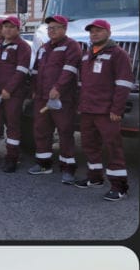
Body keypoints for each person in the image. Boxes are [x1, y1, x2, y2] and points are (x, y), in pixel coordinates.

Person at [74, 19, 132, 200]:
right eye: (92, 32)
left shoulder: (118, 54)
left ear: (108, 32)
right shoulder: (86, 55)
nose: (94, 34)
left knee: (113, 147)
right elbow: (82, 84)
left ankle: (119, 186)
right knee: (90, 145)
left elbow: (123, 84)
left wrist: (117, 109)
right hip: (88, 109)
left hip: (107, 111)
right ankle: (95, 177)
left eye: (99, 31)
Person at [29, 14, 81, 183]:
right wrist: (35, 90)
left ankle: (68, 168)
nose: (51, 31)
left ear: (65, 29)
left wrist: (58, 88)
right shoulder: (44, 47)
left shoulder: (71, 46)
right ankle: (44, 164)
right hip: (42, 97)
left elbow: (70, 70)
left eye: (55, 28)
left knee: (65, 131)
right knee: (41, 130)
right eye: (49, 28)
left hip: (62, 98)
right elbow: (36, 71)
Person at [0, 15, 32, 172]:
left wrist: (8, 89)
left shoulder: (23, 46)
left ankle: (12, 157)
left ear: (18, 29)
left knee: (12, 126)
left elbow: (21, 71)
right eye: (5, 27)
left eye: (11, 27)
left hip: (12, 94)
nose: (8, 30)